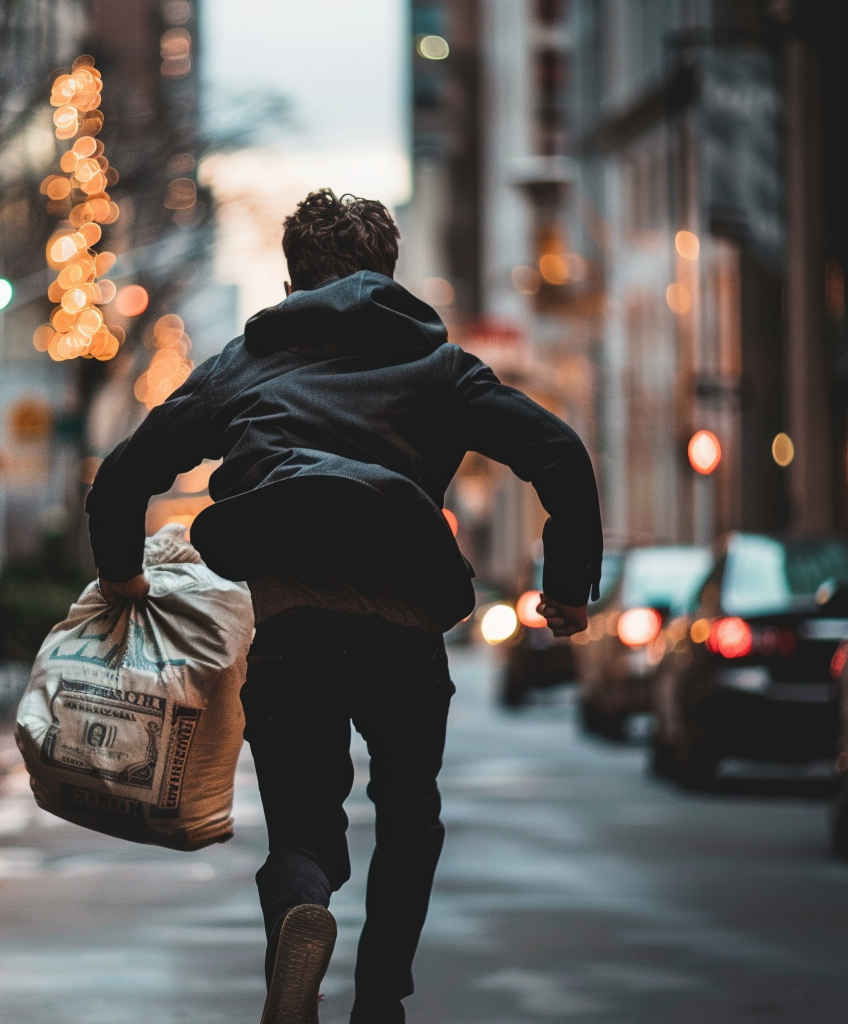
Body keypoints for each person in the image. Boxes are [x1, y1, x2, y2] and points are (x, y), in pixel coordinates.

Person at [86, 189, 603, 1024]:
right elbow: (559, 451)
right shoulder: (439, 369)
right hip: (404, 633)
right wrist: (569, 588)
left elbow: (122, 476)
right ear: (390, 273)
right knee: (409, 812)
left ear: (293, 279)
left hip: (291, 630)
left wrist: (122, 579)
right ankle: (379, 1002)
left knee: (302, 829)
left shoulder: (243, 366)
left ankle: (301, 910)